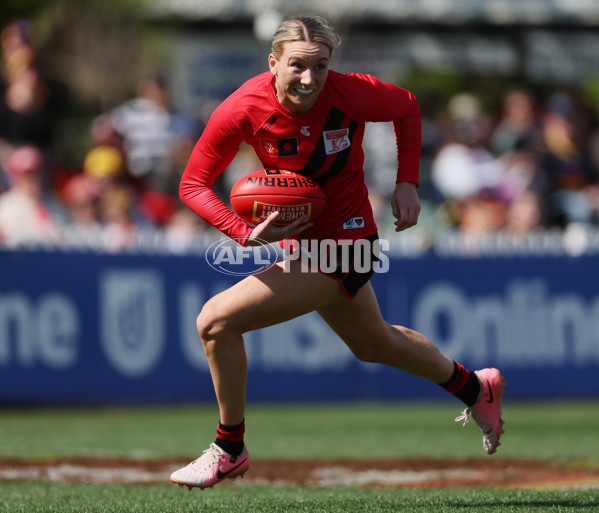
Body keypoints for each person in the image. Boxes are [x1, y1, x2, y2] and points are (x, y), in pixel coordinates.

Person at [170, 15, 506, 491]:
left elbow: (406, 107)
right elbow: (192, 183)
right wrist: (242, 232)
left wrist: (406, 181)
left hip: (348, 242)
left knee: (214, 321)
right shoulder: (243, 107)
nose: (309, 79)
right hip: (302, 245)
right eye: (297, 67)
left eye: (320, 67)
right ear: (273, 63)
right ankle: (476, 388)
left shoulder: (349, 92)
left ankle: (230, 448)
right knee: (375, 344)